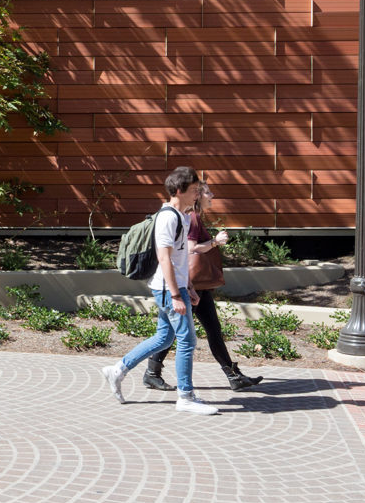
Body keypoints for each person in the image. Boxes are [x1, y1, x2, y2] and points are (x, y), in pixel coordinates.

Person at [101, 166, 219, 416]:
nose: (199, 193)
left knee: (164, 338)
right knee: (187, 340)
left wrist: (189, 286)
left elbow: (181, 257)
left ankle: (117, 370)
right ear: (179, 190)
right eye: (195, 190)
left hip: (175, 286)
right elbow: (164, 259)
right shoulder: (168, 218)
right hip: (167, 289)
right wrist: (177, 295)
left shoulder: (184, 216)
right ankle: (185, 396)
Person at [142, 180, 263, 392]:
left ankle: (233, 375)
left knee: (213, 329)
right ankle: (152, 373)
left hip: (198, 285)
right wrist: (215, 242)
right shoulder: (193, 218)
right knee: (173, 333)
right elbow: (191, 249)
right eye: (208, 193)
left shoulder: (194, 217)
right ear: (198, 196)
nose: (212, 196)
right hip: (192, 284)